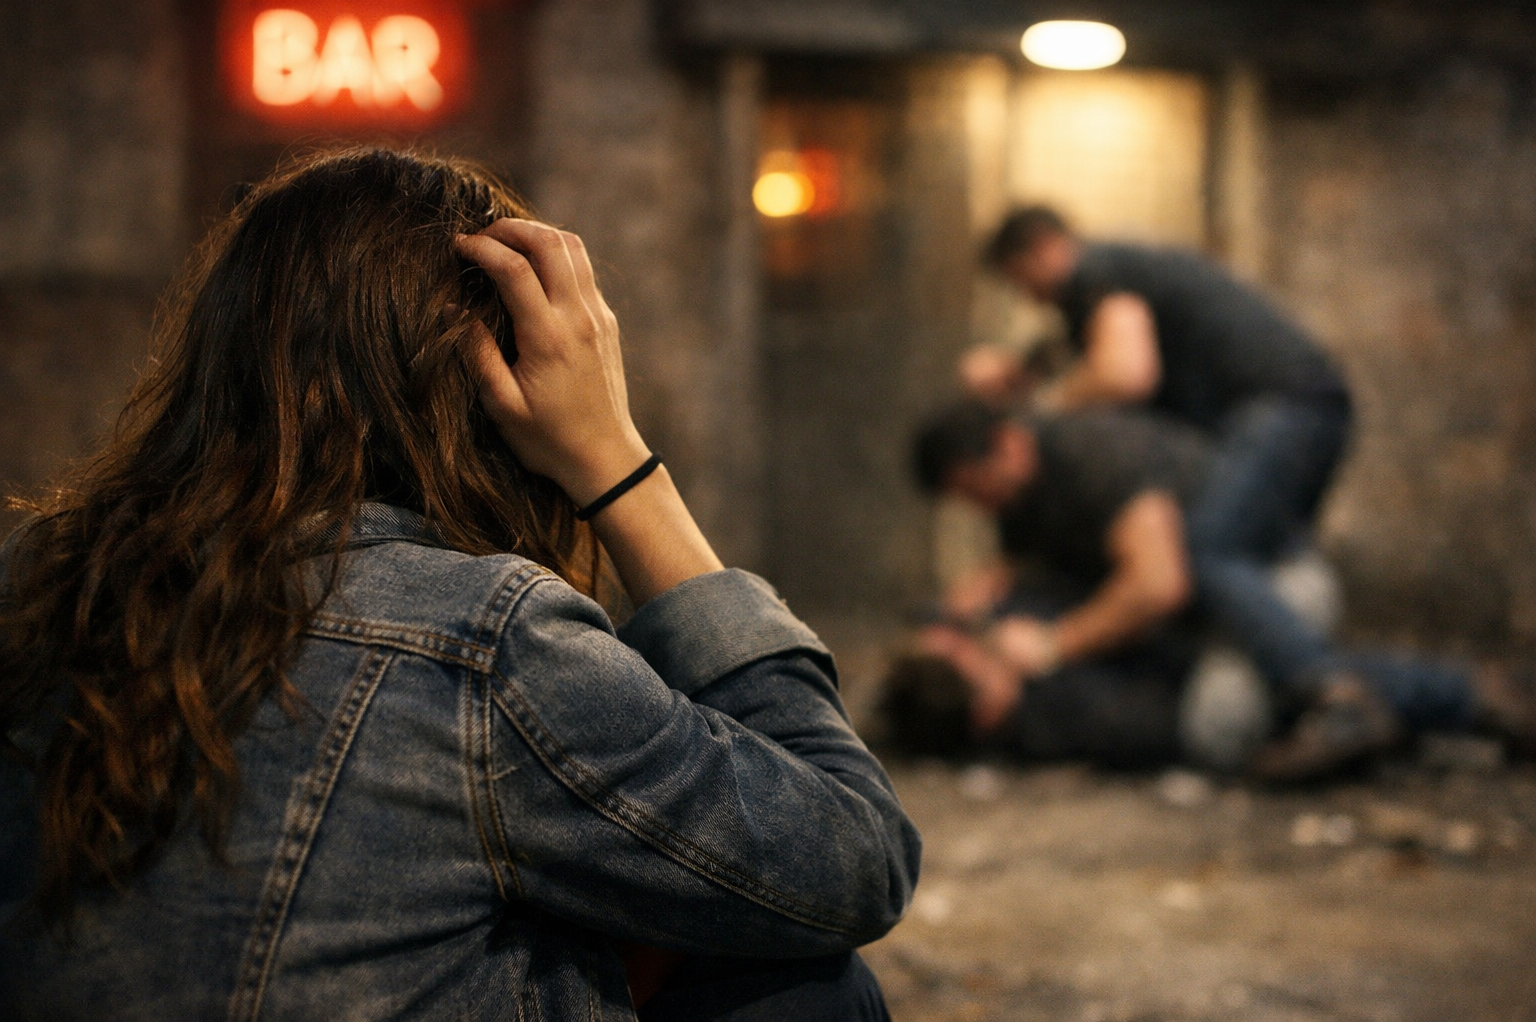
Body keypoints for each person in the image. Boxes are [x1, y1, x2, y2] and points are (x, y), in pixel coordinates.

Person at [0, 149, 920, 1021]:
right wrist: (615, 460)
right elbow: (852, 855)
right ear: (497, 389)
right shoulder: (476, 641)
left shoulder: (39, 580)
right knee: (802, 981)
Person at [901, 401, 1536, 779]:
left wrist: (1047, 644)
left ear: (1007, 447)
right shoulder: (1032, 700)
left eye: (973, 485)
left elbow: (1157, 585)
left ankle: (1460, 698)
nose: (978, 505)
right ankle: (1462, 699)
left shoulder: (1090, 459)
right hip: (1201, 684)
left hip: (1271, 589)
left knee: (1267, 677)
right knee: (1244, 696)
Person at [967, 206, 1354, 605]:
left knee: (1210, 549)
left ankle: (1317, 669)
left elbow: (1125, 374)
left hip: (1281, 405)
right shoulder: (1107, 281)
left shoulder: (1095, 271)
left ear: (1044, 248)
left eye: (1021, 280)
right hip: (1297, 403)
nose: (1030, 298)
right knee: (1268, 563)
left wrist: (1038, 407)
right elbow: (1086, 364)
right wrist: (1021, 373)